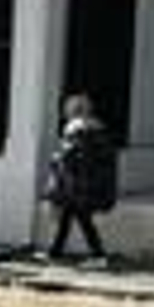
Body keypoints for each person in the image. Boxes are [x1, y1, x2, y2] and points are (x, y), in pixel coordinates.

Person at [44, 94, 116, 263]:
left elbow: (67, 158)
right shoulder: (97, 130)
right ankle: (55, 252)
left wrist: (56, 161)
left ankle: (98, 255)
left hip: (77, 185)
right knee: (71, 218)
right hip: (87, 184)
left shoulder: (76, 129)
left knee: (79, 219)